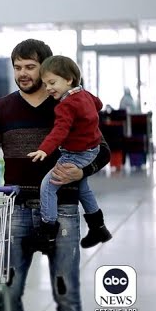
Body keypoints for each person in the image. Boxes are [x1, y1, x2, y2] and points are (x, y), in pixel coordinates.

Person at [0, 39, 110, 311]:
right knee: (6, 292)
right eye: (17, 67)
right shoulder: (1, 109)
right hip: (17, 212)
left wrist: (82, 171)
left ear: (47, 68)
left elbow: (101, 149)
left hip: (63, 210)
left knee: (67, 295)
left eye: (30, 67)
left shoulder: (70, 104)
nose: (22, 73)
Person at [26, 55, 112, 249]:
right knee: (83, 188)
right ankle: (98, 228)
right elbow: (99, 104)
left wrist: (44, 149)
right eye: (45, 84)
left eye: (52, 83)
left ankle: (47, 232)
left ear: (69, 79)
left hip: (75, 155)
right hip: (92, 150)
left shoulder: (66, 105)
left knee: (48, 187)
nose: (48, 88)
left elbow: (60, 130)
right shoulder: (84, 94)